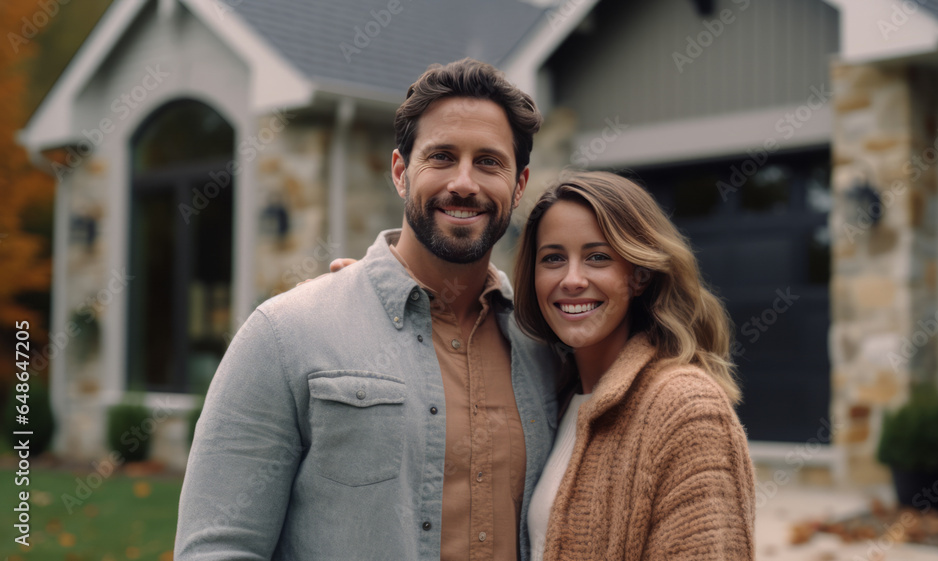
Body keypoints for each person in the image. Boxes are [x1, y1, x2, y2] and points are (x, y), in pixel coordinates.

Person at [174, 58, 561, 560]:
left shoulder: (547, 347)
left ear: (519, 183)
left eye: (488, 162)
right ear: (400, 173)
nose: (464, 183)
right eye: (441, 157)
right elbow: (219, 547)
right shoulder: (286, 333)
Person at [514, 171, 756, 560]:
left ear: (639, 275)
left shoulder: (686, 408)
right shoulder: (550, 399)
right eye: (554, 258)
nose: (572, 279)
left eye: (597, 257)